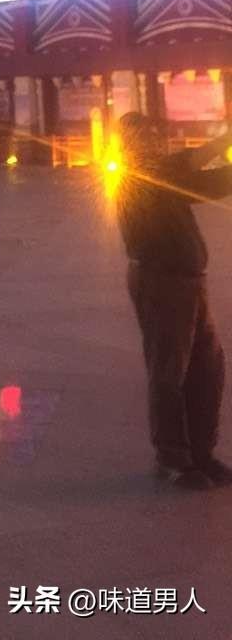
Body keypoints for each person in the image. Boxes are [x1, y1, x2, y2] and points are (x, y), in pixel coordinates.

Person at [116, 112, 232, 489]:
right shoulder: (138, 175)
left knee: (207, 369)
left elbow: (193, 167)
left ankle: (201, 454)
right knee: (170, 371)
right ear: (131, 143)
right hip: (162, 282)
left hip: (188, 282)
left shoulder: (159, 169)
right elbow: (199, 178)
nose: (155, 140)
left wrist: (224, 141)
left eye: (155, 134)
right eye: (146, 135)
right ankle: (173, 459)